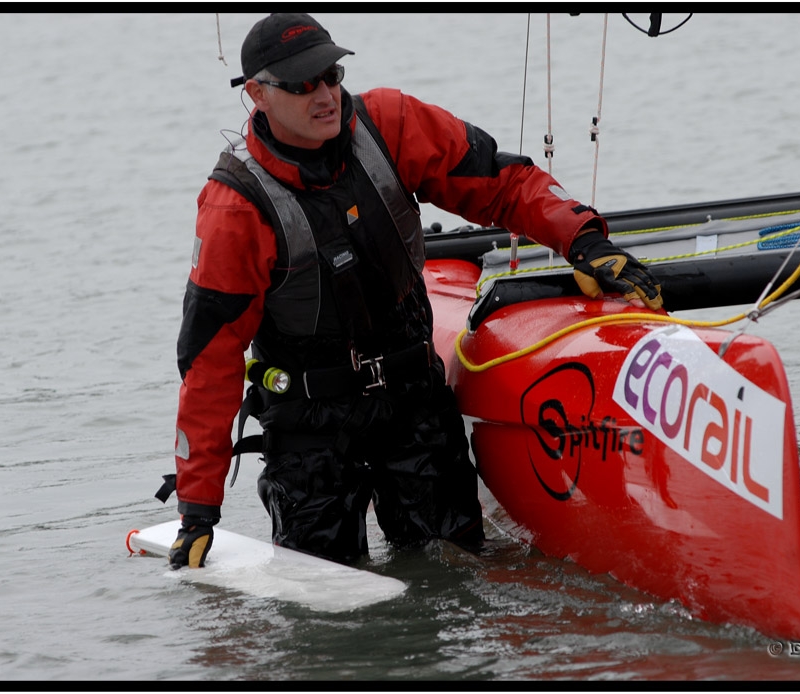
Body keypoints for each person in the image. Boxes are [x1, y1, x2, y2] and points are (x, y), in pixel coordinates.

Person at [163, 13, 663, 569]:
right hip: (309, 429)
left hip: (412, 401)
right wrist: (198, 511)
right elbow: (210, 363)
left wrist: (585, 240)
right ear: (257, 93)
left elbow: (505, 183)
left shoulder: (391, 124)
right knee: (326, 605)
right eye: (304, 85)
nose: (326, 95)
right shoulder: (235, 205)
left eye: (332, 74)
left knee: (455, 568)